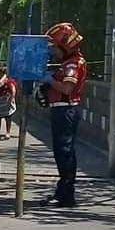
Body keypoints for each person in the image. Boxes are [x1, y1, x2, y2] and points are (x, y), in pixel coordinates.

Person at [39, 22, 88, 207]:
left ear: (64, 46)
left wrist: (50, 80)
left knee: (65, 152)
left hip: (66, 110)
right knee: (62, 152)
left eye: (54, 47)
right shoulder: (67, 63)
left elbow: (67, 88)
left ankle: (66, 195)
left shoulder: (73, 64)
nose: (52, 51)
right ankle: (63, 192)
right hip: (62, 110)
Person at [0, 67, 17, 140]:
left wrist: (12, 98)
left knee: (8, 117)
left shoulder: (8, 80)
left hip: (6, 101)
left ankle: (8, 132)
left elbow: (13, 90)